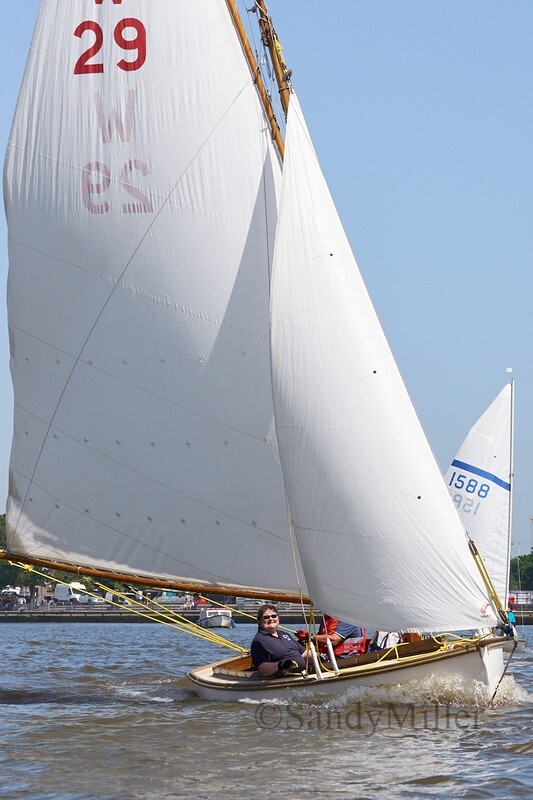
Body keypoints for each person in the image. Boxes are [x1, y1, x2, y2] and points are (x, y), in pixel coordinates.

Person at [251, 603, 308, 677]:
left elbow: (304, 653)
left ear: (278, 618)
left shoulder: (284, 634)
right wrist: (280, 665)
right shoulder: (259, 641)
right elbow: (261, 669)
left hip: (303, 674)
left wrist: (318, 657)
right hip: (285, 679)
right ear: (259, 620)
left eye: (274, 616)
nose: (271, 619)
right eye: (266, 617)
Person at [296, 615, 366, 658]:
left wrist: (310, 636)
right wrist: (304, 640)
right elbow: (320, 639)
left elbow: (334, 640)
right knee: (295, 653)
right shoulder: (327, 619)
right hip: (329, 656)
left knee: (302, 657)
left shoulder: (348, 620)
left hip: (345, 658)